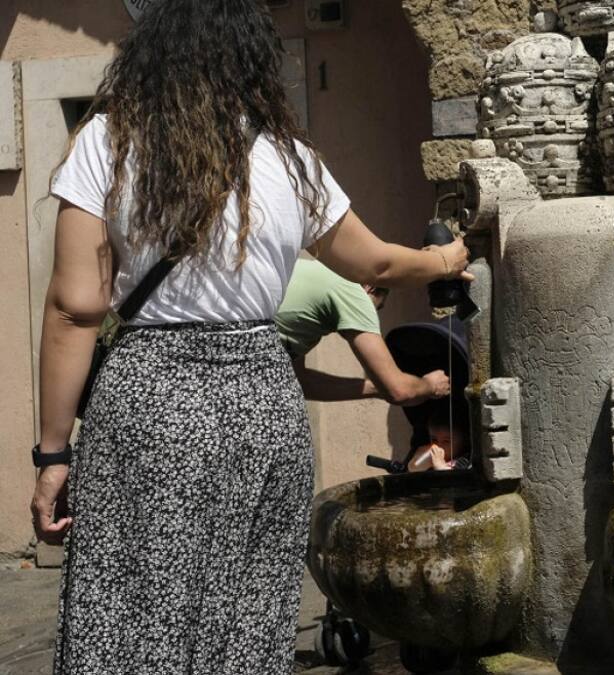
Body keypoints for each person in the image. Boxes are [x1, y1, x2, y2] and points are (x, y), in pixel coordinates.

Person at [28, 1, 471, 672]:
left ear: (154, 49)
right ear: (252, 60)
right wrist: (444, 261)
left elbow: (74, 308)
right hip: (262, 400)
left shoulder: (108, 141)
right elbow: (374, 262)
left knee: (133, 607)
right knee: (249, 613)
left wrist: (51, 454)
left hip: (150, 399)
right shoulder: (290, 159)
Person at [276, 257, 451, 405]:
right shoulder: (352, 292)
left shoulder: (314, 275)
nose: (373, 317)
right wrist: (430, 385)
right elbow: (399, 390)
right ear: (370, 288)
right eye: (377, 307)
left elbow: (300, 382)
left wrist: (377, 387)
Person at [405, 403, 471, 472]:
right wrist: (419, 459)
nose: (439, 446)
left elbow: (455, 480)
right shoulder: (431, 458)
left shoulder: (463, 462)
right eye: (434, 440)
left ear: (464, 441)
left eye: (446, 441)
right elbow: (413, 469)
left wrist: (441, 467)